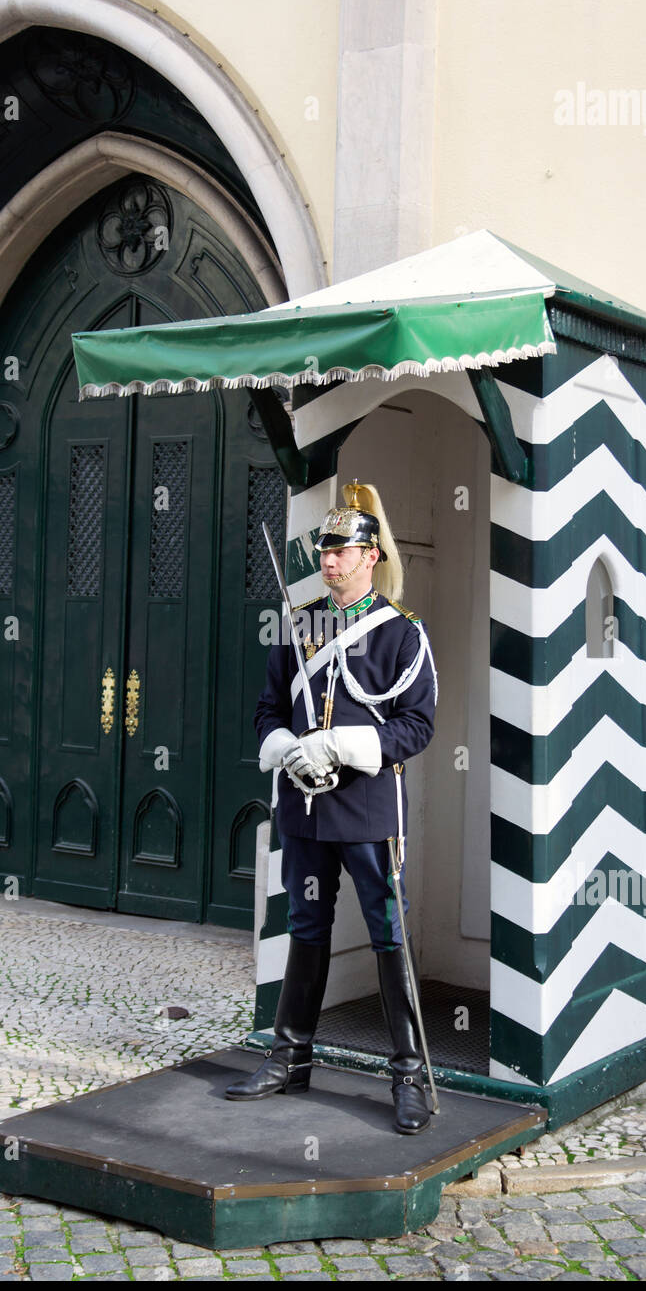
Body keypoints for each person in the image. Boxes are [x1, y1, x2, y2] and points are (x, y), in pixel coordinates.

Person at [224, 480, 438, 1134]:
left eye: (343, 549)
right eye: (325, 548)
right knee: (307, 931)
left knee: (388, 935)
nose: (330, 559)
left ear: (370, 555)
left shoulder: (402, 634)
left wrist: (349, 744)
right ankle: (291, 1057)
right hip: (306, 808)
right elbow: (265, 711)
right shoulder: (299, 624)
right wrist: (286, 746)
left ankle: (406, 1075)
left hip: (370, 807)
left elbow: (418, 725)